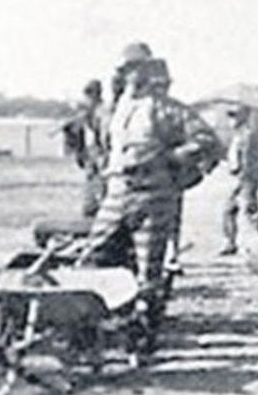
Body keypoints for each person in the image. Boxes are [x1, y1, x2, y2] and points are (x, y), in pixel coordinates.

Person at [78, 55, 223, 357]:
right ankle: (102, 329)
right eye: (122, 71)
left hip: (152, 197)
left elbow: (209, 141)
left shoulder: (167, 108)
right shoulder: (118, 109)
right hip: (117, 193)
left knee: (148, 273)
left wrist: (172, 159)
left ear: (144, 74)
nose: (124, 77)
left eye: (130, 71)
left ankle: (141, 341)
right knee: (94, 257)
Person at [221, 101, 258, 256]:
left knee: (249, 213)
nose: (231, 120)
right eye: (230, 116)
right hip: (238, 178)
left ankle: (254, 246)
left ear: (244, 117)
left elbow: (249, 161)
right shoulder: (237, 135)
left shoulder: (248, 135)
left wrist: (246, 182)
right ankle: (230, 242)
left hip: (245, 179)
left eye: (235, 116)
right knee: (229, 211)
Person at [63, 79, 110, 217]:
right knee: (90, 204)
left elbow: (103, 140)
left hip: (101, 163)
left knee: (99, 201)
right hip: (92, 163)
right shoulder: (90, 114)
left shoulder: (103, 113)